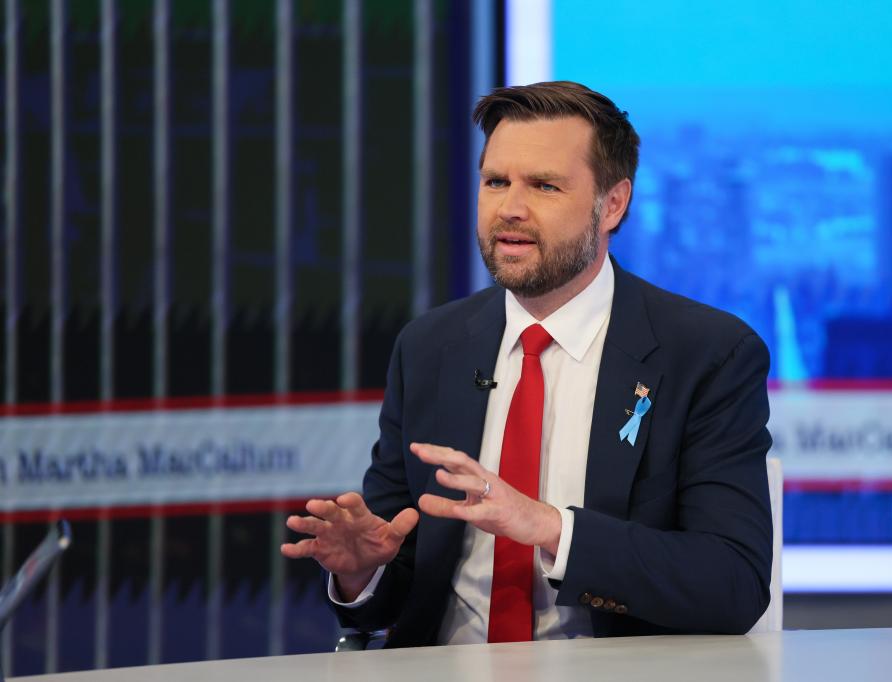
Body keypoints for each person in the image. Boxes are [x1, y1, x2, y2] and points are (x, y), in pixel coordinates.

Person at [281, 81, 773, 647]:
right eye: (496, 183)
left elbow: (732, 583)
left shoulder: (707, 355)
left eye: (544, 186)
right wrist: (362, 571)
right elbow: (399, 583)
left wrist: (549, 529)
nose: (510, 209)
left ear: (612, 204)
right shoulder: (429, 348)